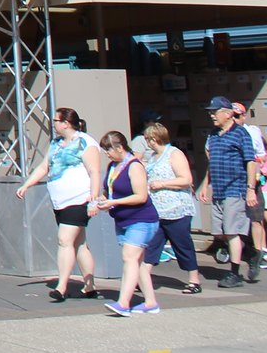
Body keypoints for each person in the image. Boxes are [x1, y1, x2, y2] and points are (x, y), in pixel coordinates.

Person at [15, 106, 102, 302]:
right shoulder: (56, 143)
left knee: (64, 240)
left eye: (56, 121)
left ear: (65, 123)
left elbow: (94, 172)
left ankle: (62, 286)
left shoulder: (86, 143)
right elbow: (44, 166)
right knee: (79, 244)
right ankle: (90, 286)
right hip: (60, 201)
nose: (53, 124)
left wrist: (94, 199)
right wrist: (27, 184)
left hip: (79, 199)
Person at [196, 96, 261, 288]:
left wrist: (250, 190)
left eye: (214, 112)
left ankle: (234, 274)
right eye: (210, 112)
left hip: (235, 188)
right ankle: (251, 253)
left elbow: (251, 162)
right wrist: (205, 185)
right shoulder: (214, 135)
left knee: (232, 232)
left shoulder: (240, 134)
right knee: (220, 233)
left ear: (228, 113)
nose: (212, 116)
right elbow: (212, 162)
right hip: (219, 190)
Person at [93, 131, 161, 316]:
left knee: (129, 257)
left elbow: (141, 196)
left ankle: (123, 303)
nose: (106, 153)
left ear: (120, 147)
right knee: (137, 262)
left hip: (142, 219)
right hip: (122, 219)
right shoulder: (113, 166)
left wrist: (114, 202)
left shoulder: (134, 166)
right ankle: (150, 302)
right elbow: (111, 190)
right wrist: (104, 199)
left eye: (108, 150)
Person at [139, 123, 204, 294]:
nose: (147, 143)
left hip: (177, 209)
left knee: (182, 244)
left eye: (149, 139)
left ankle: (194, 279)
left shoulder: (174, 154)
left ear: (155, 138)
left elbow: (186, 179)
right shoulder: (152, 157)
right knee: (151, 245)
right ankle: (143, 278)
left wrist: (162, 184)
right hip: (157, 211)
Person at [233, 102, 267, 270]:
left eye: (237, 116)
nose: (235, 119)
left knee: (256, 218)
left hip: (251, 181)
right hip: (233, 183)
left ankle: (259, 252)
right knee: (233, 220)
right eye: (232, 115)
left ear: (244, 116)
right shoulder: (221, 134)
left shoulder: (253, 132)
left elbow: (262, 157)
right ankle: (237, 251)